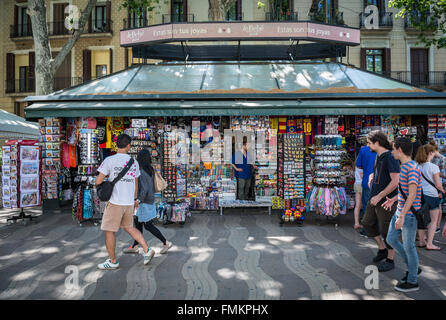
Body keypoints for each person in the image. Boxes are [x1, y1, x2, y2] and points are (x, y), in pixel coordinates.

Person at [95, 133, 155, 270]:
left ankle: (113, 261)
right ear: (129, 146)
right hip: (129, 202)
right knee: (129, 227)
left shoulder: (109, 160)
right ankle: (146, 249)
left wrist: (107, 182)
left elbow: (98, 181)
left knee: (109, 231)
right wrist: (134, 199)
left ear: (116, 145)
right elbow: (136, 184)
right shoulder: (134, 163)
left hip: (115, 202)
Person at [383, 137, 422, 292]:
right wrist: (393, 199)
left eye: (393, 149)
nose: (392, 152)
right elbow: (405, 192)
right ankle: (414, 267)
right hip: (402, 211)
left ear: (399, 150)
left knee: (409, 247)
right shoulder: (405, 166)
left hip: (408, 215)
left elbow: (412, 195)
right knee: (391, 239)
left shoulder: (411, 168)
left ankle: (412, 280)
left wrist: (402, 216)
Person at [361, 130, 399, 272]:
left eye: (370, 143)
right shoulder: (379, 156)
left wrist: (380, 195)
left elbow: (396, 181)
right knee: (367, 223)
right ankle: (382, 248)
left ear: (377, 143)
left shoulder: (390, 157)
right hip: (375, 198)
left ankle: (390, 259)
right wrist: (372, 176)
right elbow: (380, 174)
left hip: (385, 201)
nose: (368, 146)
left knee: (387, 230)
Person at [123, 149, 173, 254]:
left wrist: (138, 200)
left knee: (148, 225)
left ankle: (165, 242)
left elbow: (144, 188)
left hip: (143, 201)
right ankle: (135, 246)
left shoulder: (141, 171)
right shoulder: (150, 169)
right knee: (138, 224)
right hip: (149, 200)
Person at [415, 144, 445, 250]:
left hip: (420, 195)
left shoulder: (417, 166)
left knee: (421, 219)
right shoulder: (433, 167)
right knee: (433, 220)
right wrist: (443, 191)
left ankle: (422, 241)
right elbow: (438, 185)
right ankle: (430, 244)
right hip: (432, 196)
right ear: (431, 153)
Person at [355, 141, 377, 235]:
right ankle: (379, 231)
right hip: (382, 184)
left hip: (367, 182)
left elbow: (358, 164)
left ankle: (367, 230)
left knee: (367, 207)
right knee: (380, 209)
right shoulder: (386, 150)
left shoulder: (363, 150)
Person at [429, 139, 446, 233]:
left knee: (438, 205)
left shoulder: (442, 158)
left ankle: (437, 225)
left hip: (439, 184)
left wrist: (434, 173)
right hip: (431, 183)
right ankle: (433, 224)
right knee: (434, 205)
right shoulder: (431, 158)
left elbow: (443, 174)